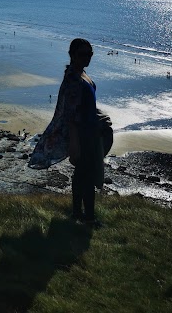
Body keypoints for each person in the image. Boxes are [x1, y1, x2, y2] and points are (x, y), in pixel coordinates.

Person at [29, 38, 112, 227]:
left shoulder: (81, 74)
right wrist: (74, 145)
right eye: (82, 54)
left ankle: (77, 214)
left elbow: (85, 106)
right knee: (87, 176)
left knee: (81, 175)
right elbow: (71, 116)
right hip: (82, 136)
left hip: (90, 132)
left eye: (90, 54)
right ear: (72, 55)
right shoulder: (74, 80)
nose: (87, 57)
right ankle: (88, 218)